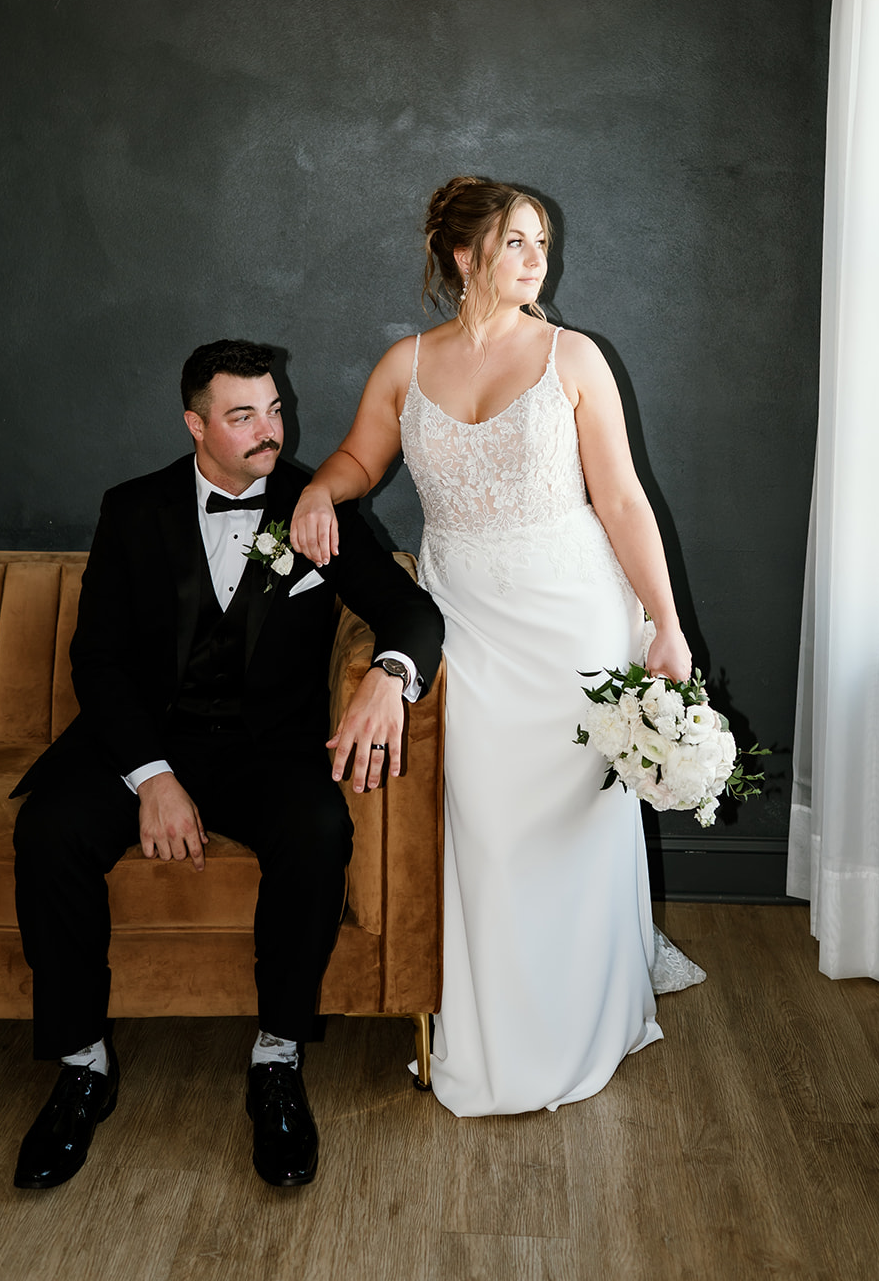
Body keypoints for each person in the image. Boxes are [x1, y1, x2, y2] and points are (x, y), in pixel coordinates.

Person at [290, 176, 699, 1118]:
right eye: (517, 241)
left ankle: (582, 1021)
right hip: (465, 623)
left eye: (542, 243)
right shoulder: (406, 364)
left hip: (573, 626)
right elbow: (360, 458)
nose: (536, 259)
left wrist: (665, 625)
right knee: (486, 828)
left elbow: (624, 502)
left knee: (572, 825)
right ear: (464, 256)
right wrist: (320, 492)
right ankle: (492, 1030)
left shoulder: (575, 359)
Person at [10, 339, 444, 1189]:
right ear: (195, 424)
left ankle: (277, 1059)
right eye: (244, 416)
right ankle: (82, 1068)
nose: (269, 432)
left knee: (318, 831)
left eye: (275, 409)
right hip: (142, 744)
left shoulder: (312, 504)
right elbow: (95, 659)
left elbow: (410, 609)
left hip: (265, 752)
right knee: (49, 830)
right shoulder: (132, 510)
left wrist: (390, 678)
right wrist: (154, 778)